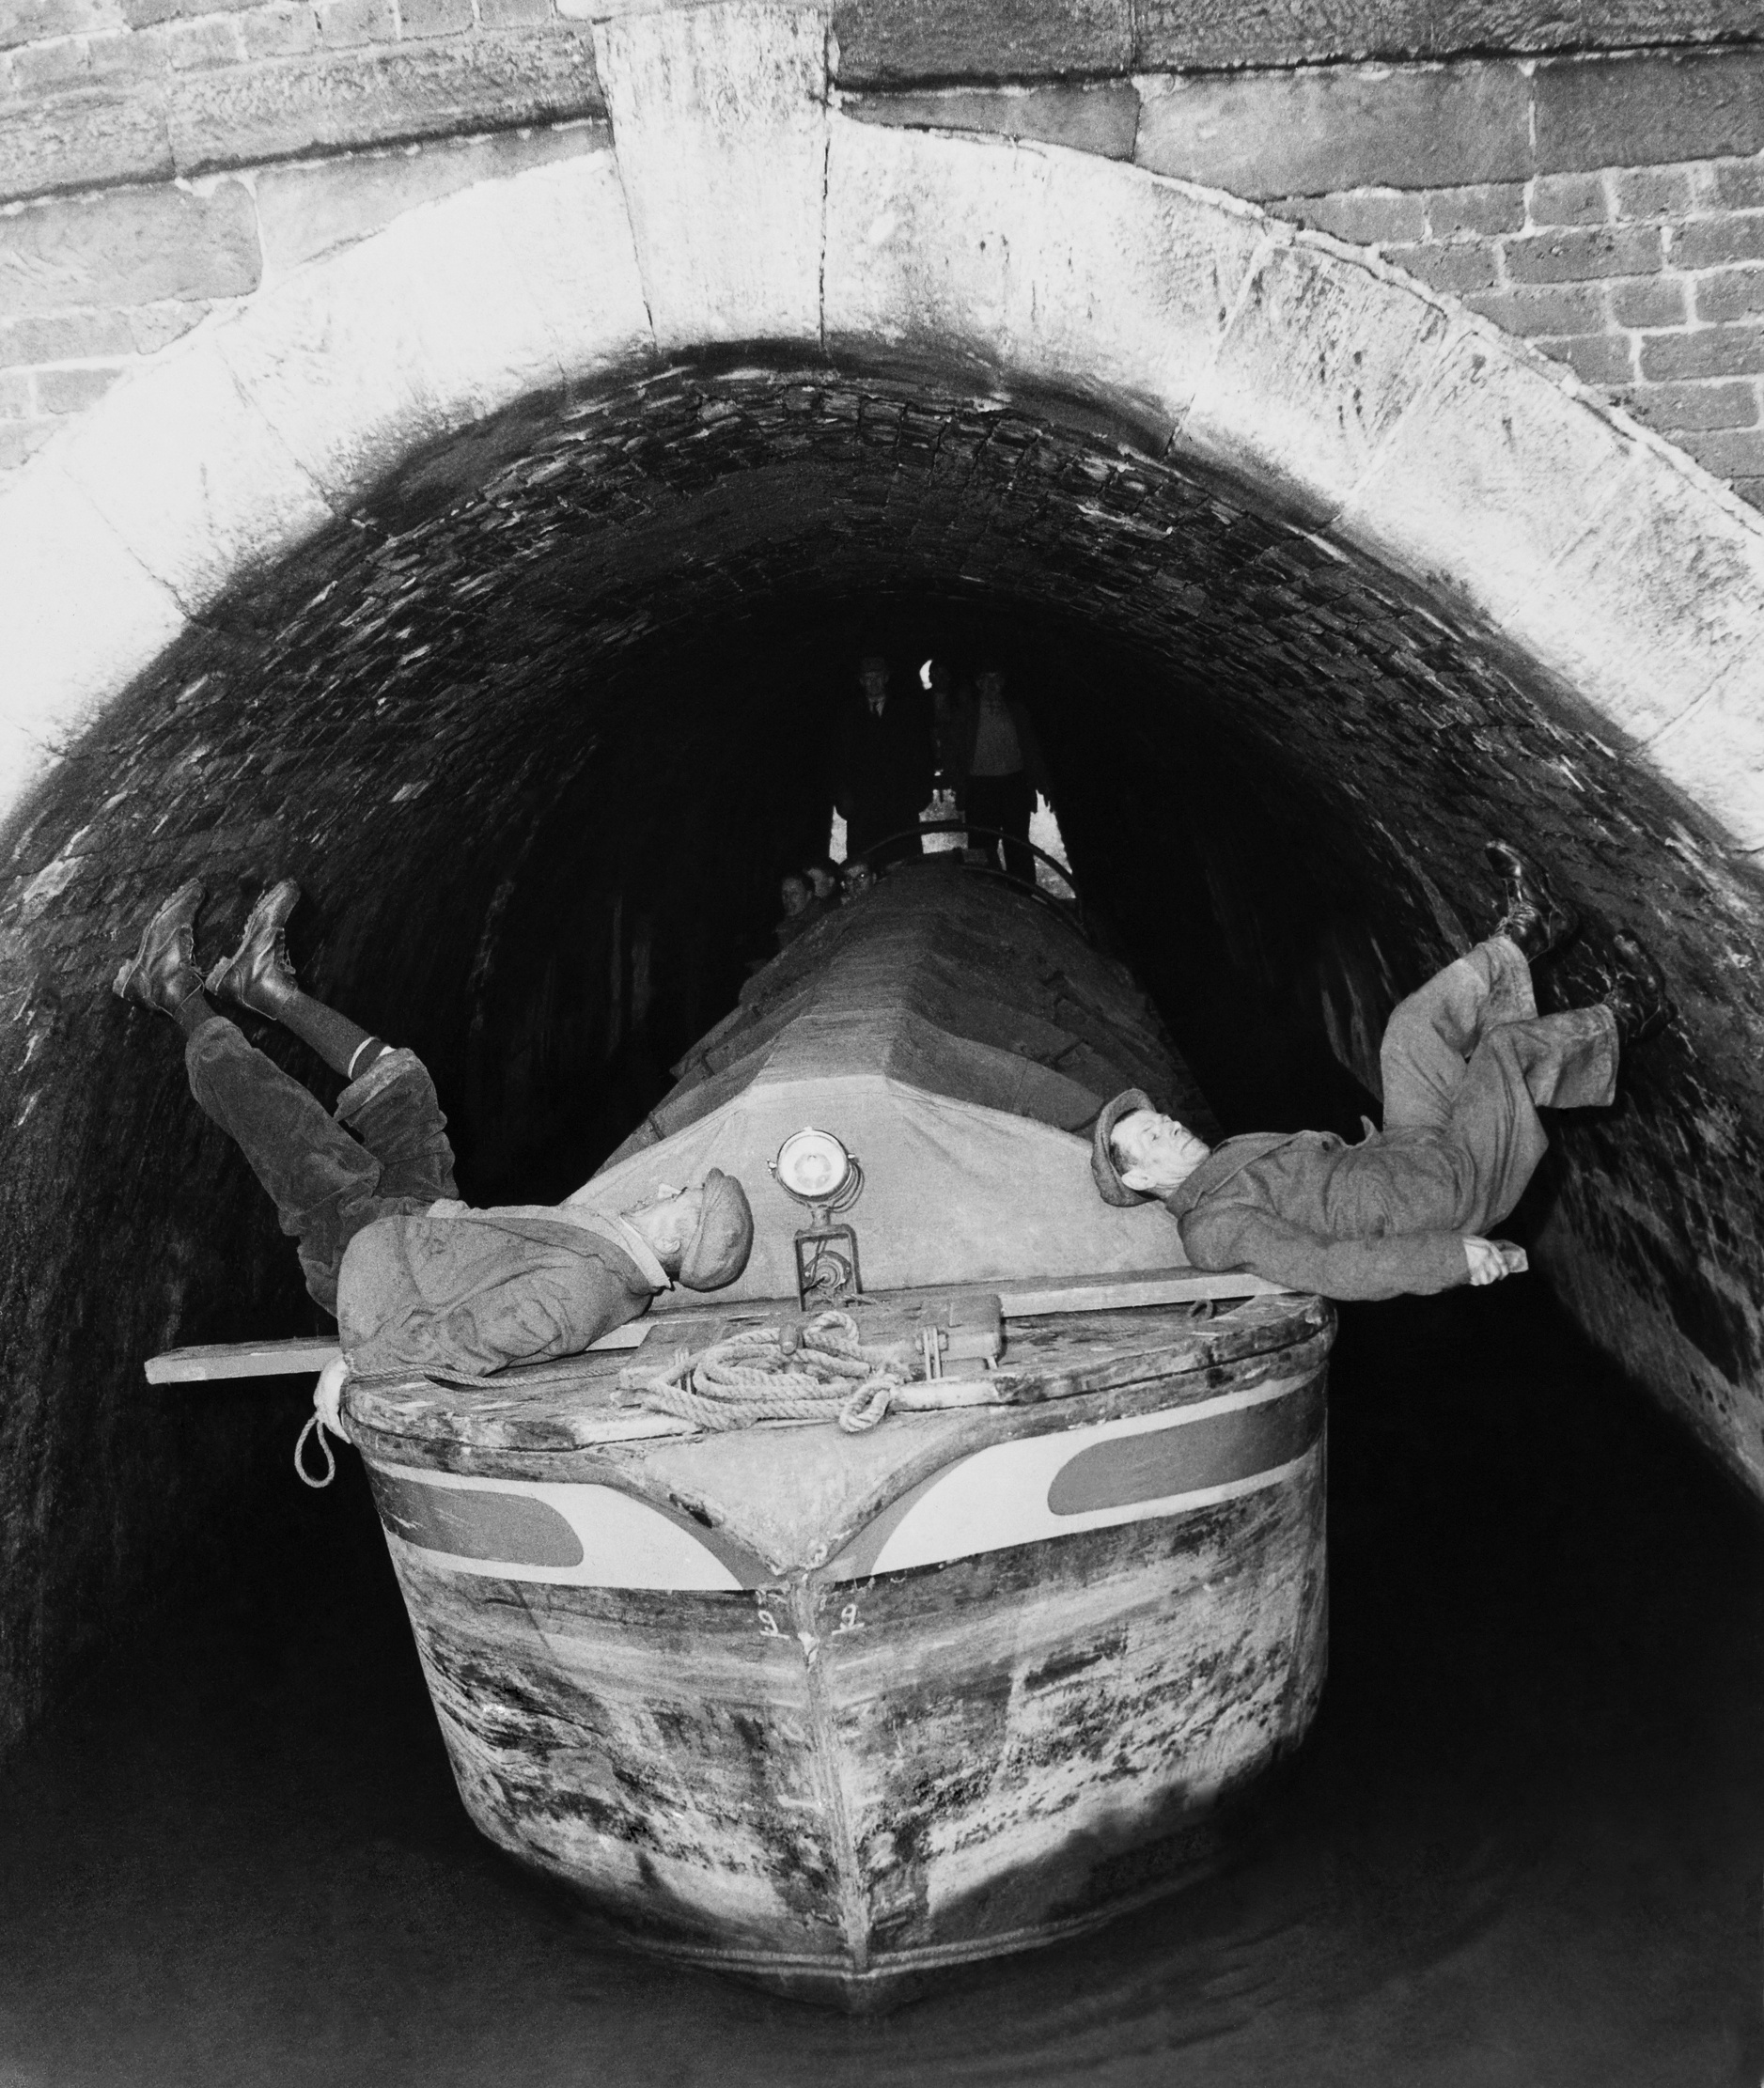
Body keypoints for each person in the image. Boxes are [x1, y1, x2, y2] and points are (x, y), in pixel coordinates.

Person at [113, 879, 755, 1380]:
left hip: (370, 1256)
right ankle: (264, 987)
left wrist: (359, 1367)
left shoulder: (585, 1293)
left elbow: (458, 1346)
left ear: (678, 1232)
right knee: (403, 1085)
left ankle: (171, 988)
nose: (669, 1192)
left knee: (287, 1124)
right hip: (430, 1226)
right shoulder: (614, 1254)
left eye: (683, 1201)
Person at [1089, 844, 1670, 1301]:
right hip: (1436, 1195)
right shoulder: (1212, 1228)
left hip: (1400, 1153)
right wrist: (1447, 1260)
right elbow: (1327, 1266)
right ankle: (1628, 1016)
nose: (1169, 1123)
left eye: (1158, 1117)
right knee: (1503, 1056)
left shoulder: (1218, 1169)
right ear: (1141, 1180)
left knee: (1409, 1032)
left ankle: (1532, 928)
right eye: (1152, 1136)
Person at [833, 653, 935, 870]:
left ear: (886, 678)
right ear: (861, 681)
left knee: (903, 862)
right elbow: (840, 759)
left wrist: (921, 792)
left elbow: (921, 754)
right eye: (868, 678)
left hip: (899, 802)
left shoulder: (906, 711)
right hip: (863, 806)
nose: (873, 682)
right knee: (865, 864)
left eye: (877, 676)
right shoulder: (849, 715)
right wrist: (843, 797)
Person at [952, 662, 1048, 884]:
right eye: (987, 679)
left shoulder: (1016, 710)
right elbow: (954, 750)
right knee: (981, 844)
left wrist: (1042, 783)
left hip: (1014, 783)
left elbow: (1030, 748)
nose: (992, 685)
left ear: (1003, 682)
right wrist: (959, 785)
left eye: (997, 679)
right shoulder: (967, 714)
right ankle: (982, 893)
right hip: (981, 786)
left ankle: (1024, 894)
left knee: (1018, 843)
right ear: (979, 683)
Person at [773, 870, 823, 952]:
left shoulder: (819, 921)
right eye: (784, 894)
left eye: (794, 893)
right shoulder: (783, 925)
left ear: (808, 895)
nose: (788, 899)